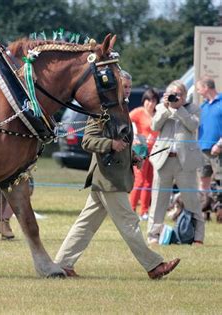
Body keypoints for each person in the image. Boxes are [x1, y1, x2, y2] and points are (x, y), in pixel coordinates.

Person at [54, 104, 180, 279]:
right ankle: (154, 266)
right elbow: (88, 141)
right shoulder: (100, 111)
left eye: (129, 86)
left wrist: (133, 157)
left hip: (110, 178)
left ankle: (62, 264)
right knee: (129, 222)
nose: (127, 90)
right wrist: (111, 144)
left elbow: (123, 147)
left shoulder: (122, 109)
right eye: (125, 86)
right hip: (107, 179)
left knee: (85, 224)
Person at [148, 80, 205, 244]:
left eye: (179, 94)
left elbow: (193, 126)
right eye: (172, 94)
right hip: (163, 160)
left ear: (185, 95)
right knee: (158, 200)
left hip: (185, 162)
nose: (175, 97)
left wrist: (179, 108)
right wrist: (167, 108)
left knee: (191, 200)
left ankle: (198, 237)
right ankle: (154, 236)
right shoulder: (161, 107)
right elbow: (154, 126)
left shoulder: (193, 109)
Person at [129, 88, 160, 220]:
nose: (150, 103)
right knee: (139, 180)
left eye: (153, 100)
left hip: (156, 150)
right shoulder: (138, 112)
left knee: (149, 181)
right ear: (144, 101)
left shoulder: (158, 113)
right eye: (148, 100)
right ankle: (131, 210)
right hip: (140, 148)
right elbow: (126, 121)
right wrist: (134, 136)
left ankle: (144, 211)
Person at [196, 76, 222, 222]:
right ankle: (204, 210)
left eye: (199, 88)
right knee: (203, 181)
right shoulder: (203, 107)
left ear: (206, 87)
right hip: (203, 149)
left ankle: (220, 212)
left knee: (220, 181)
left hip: (218, 150)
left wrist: (219, 144)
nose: (198, 91)